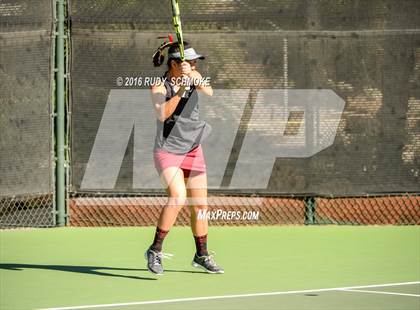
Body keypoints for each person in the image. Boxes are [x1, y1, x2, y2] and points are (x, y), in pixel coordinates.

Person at [145, 41, 224, 275]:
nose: (193, 64)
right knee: (178, 197)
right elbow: (162, 114)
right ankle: (155, 251)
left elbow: (209, 92)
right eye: (189, 61)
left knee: (200, 205)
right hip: (167, 150)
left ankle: (202, 255)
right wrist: (180, 90)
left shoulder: (194, 75)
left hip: (193, 149)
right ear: (173, 64)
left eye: (194, 61)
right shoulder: (159, 86)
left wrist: (194, 78)